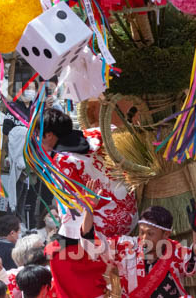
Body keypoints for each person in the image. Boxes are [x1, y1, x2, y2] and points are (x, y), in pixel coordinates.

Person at [42, 107, 137, 297]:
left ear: (50, 135)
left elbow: (73, 214)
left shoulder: (62, 162)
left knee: (55, 251)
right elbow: (114, 129)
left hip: (106, 231)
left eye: (38, 136)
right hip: (132, 211)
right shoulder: (95, 133)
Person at [79, 201, 196, 298]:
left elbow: (194, 260)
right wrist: (88, 211)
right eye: (141, 232)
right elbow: (93, 245)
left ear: (165, 235)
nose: (144, 238)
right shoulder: (126, 246)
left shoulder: (174, 251)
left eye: (150, 234)